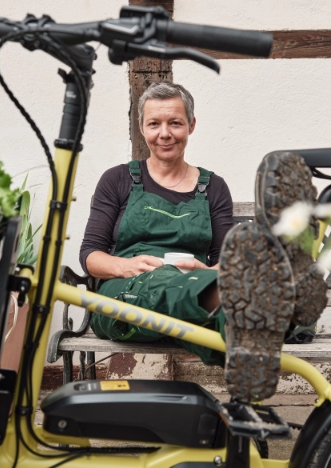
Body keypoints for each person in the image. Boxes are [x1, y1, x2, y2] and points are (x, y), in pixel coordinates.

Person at [79, 82, 233, 365]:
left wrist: (205, 271)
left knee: (213, 317)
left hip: (194, 291)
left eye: (175, 123)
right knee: (167, 281)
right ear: (142, 127)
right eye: (154, 124)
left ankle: (257, 318)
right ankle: (259, 312)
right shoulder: (118, 179)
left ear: (191, 125)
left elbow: (226, 262)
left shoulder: (214, 187)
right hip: (123, 297)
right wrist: (124, 266)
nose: (164, 134)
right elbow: (90, 254)